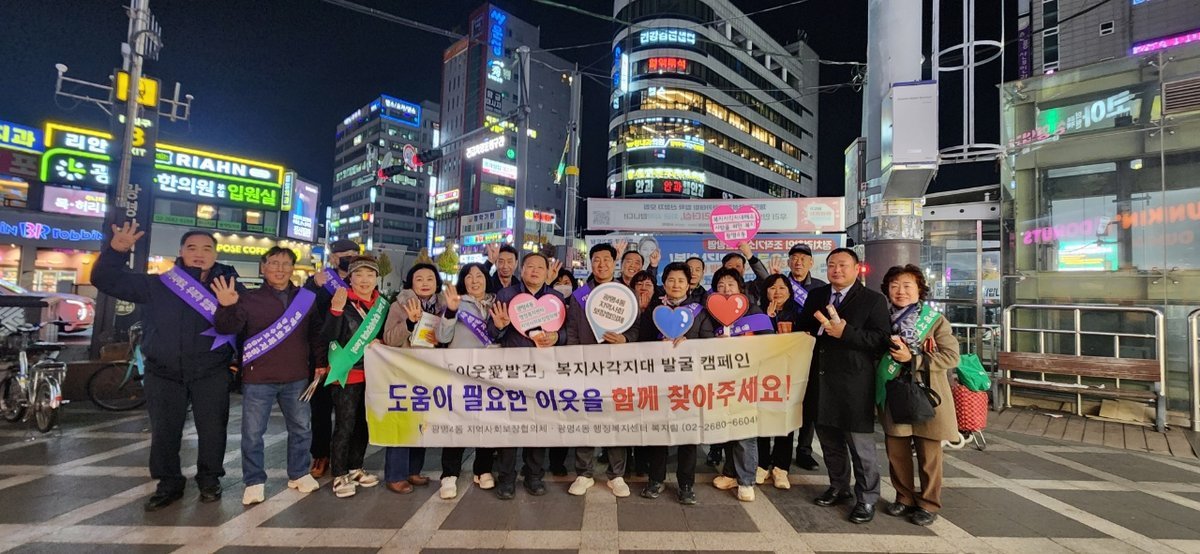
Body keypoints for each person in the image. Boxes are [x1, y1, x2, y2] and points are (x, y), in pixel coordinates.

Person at [93, 222, 244, 511]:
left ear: (215, 254)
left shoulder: (230, 287)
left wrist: (229, 306)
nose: (199, 254)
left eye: (206, 249)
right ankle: (169, 483)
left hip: (211, 371)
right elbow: (106, 280)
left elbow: (239, 326)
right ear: (181, 252)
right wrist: (116, 251)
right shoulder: (158, 284)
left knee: (213, 429)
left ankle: (209, 479)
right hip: (163, 372)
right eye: (192, 248)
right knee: (164, 431)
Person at [213, 246, 324, 505]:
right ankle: (254, 481)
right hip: (258, 377)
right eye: (274, 263)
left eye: (286, 264)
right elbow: (227, 328)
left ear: (293, 268)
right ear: (263, 267)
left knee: (302, 428)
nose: (279, 269)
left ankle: (299, 473)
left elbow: (316, 333)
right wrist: (226, 307)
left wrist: (320, 362)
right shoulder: (249, 299)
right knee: (253, 433)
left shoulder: (305, 298)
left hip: (296, 375)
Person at [795, 248, 891, 524]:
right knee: (829, 442)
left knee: (861, 447)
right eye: (831, 265)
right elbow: (805, 328)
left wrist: (845, 332)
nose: (836, 270)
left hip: (854, 384)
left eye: (842, 265)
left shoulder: (872, 299)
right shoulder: (817, 295)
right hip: (821, 380)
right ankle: (839, 486)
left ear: (856, 268)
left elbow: (880, 340)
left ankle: (867, 497)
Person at [878, 265, 959, 527]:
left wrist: (915, 359)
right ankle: (904, 497)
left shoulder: (934, 321)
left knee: (929, 452)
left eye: (907, 286)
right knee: (897, 450)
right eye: (894, 286)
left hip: (927, 393)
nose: (900, 291)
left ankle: (928, 503)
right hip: (894, 392)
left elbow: (951, 357)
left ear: (919, 289)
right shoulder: (881, 320)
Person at [563, 243, 640, 498]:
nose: (601, 264)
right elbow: (572, 330)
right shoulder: (580, 296)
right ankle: (584, 473)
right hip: (586, 367)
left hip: (617, 368)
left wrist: (625, 339)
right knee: (586, 418)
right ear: (590, 263)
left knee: (616, 419)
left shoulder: (626, 294)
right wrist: (576, 360)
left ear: (614, 263)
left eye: (607, 259)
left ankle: (616, 475)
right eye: (596, 259)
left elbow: (636, 328)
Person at [488, 252, 567, 499]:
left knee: (539, 424)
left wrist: (557, 337)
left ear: (547, 272)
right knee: (510, 424)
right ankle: (506, 479)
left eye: (540, 267)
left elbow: (567, 333)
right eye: (530, 266)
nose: (534, 271)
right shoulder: (506, 295)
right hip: (513, 370)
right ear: (521, 270)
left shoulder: (556, 298)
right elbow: (491, 333)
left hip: (544, 371)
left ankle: (534, 476)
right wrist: (500, 326)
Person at [700, 267, 772, 503]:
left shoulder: (754, 312)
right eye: (720, 286)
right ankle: (731, 473)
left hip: (747, 380)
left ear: (740, 288)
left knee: (745, 431)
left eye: (730, 285)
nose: (725, 289)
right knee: (728, 428)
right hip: (720, 381)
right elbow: (702, 339)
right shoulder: (710, 313)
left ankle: (746, 481)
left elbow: (768, 342)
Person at [638, 262, 705, 505]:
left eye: (681, 280)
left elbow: (710, 341)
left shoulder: (699, 311)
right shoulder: (654, 310)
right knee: (659, 431)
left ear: (689, 284)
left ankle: (686, 484)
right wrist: (658, 344)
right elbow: (641, 341)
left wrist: (690, 342)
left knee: (688, 434)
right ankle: (656, 479)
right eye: (671, 280)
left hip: (689, 382)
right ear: (664, 283)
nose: (676, 285)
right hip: (659, 381)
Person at [322, 255, 386, 498]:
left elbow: (389, 335)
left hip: (374, 374)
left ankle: (355, 467)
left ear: (377, 278)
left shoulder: (382, 305)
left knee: (364, 425)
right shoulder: (342, 300)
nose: (364, 280)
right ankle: (339, 474)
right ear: (350, 278)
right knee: (345, 426)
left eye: (370, 274)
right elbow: (328, 336)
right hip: (347, 373)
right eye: (359, 274)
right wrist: (336, 311)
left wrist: (383, 342)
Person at [380, 262, 447, 494]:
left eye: (430, 279)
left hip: (430, 371)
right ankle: (395, 475)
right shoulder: (399, 306)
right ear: (411, 283)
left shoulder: (443, 306)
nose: (425, 283)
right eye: (419, 279)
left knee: (422, 422)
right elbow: (389, 339)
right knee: (402, 422)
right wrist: (409, 322)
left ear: (437, 282)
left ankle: (413, 470)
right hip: (404, 372)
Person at [436, 262, 499, 498]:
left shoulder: (497, 303)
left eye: (479, 275)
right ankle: (449, 474)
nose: (474, 280)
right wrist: (451, 311)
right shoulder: (456, 302)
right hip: (460, 374)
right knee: (457, 422)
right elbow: (442, 336)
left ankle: (483, 469)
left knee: (488, 421)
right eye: (469, 276)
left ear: (486, 279)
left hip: (491, 374)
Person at [303, 239, 361, 479]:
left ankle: (348, 459)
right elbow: (303, 310)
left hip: (352, 356)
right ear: (334, 257)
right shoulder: (321, 280)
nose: (350, 258)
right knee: (321, 409)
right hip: (323, 355)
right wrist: (313, 285)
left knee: (351, 414)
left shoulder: (360, 281)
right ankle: (320, 455)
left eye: (354, 254)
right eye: (345, 255)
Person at [754, 273, 801, 490]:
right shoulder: (757, 313)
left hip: (790, 375)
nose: (777, 292)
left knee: (786, 421)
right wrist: (768, 318)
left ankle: (781, 467)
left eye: (782, 288)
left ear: (790, 292)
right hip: (763, 376)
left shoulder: (799, 314)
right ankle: (762, 464)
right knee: (762, 419)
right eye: (772, 288)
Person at [784, 243, 827, 472]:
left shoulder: (821, 288)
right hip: (785, 351)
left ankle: (804, 450)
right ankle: (781, 451)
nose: (798, 262)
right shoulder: (781, 284)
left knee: (809, 399)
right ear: (788, 262)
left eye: (803, 258)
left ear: (811, 263)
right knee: (786, 398)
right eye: (794, 258)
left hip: (811, 350)